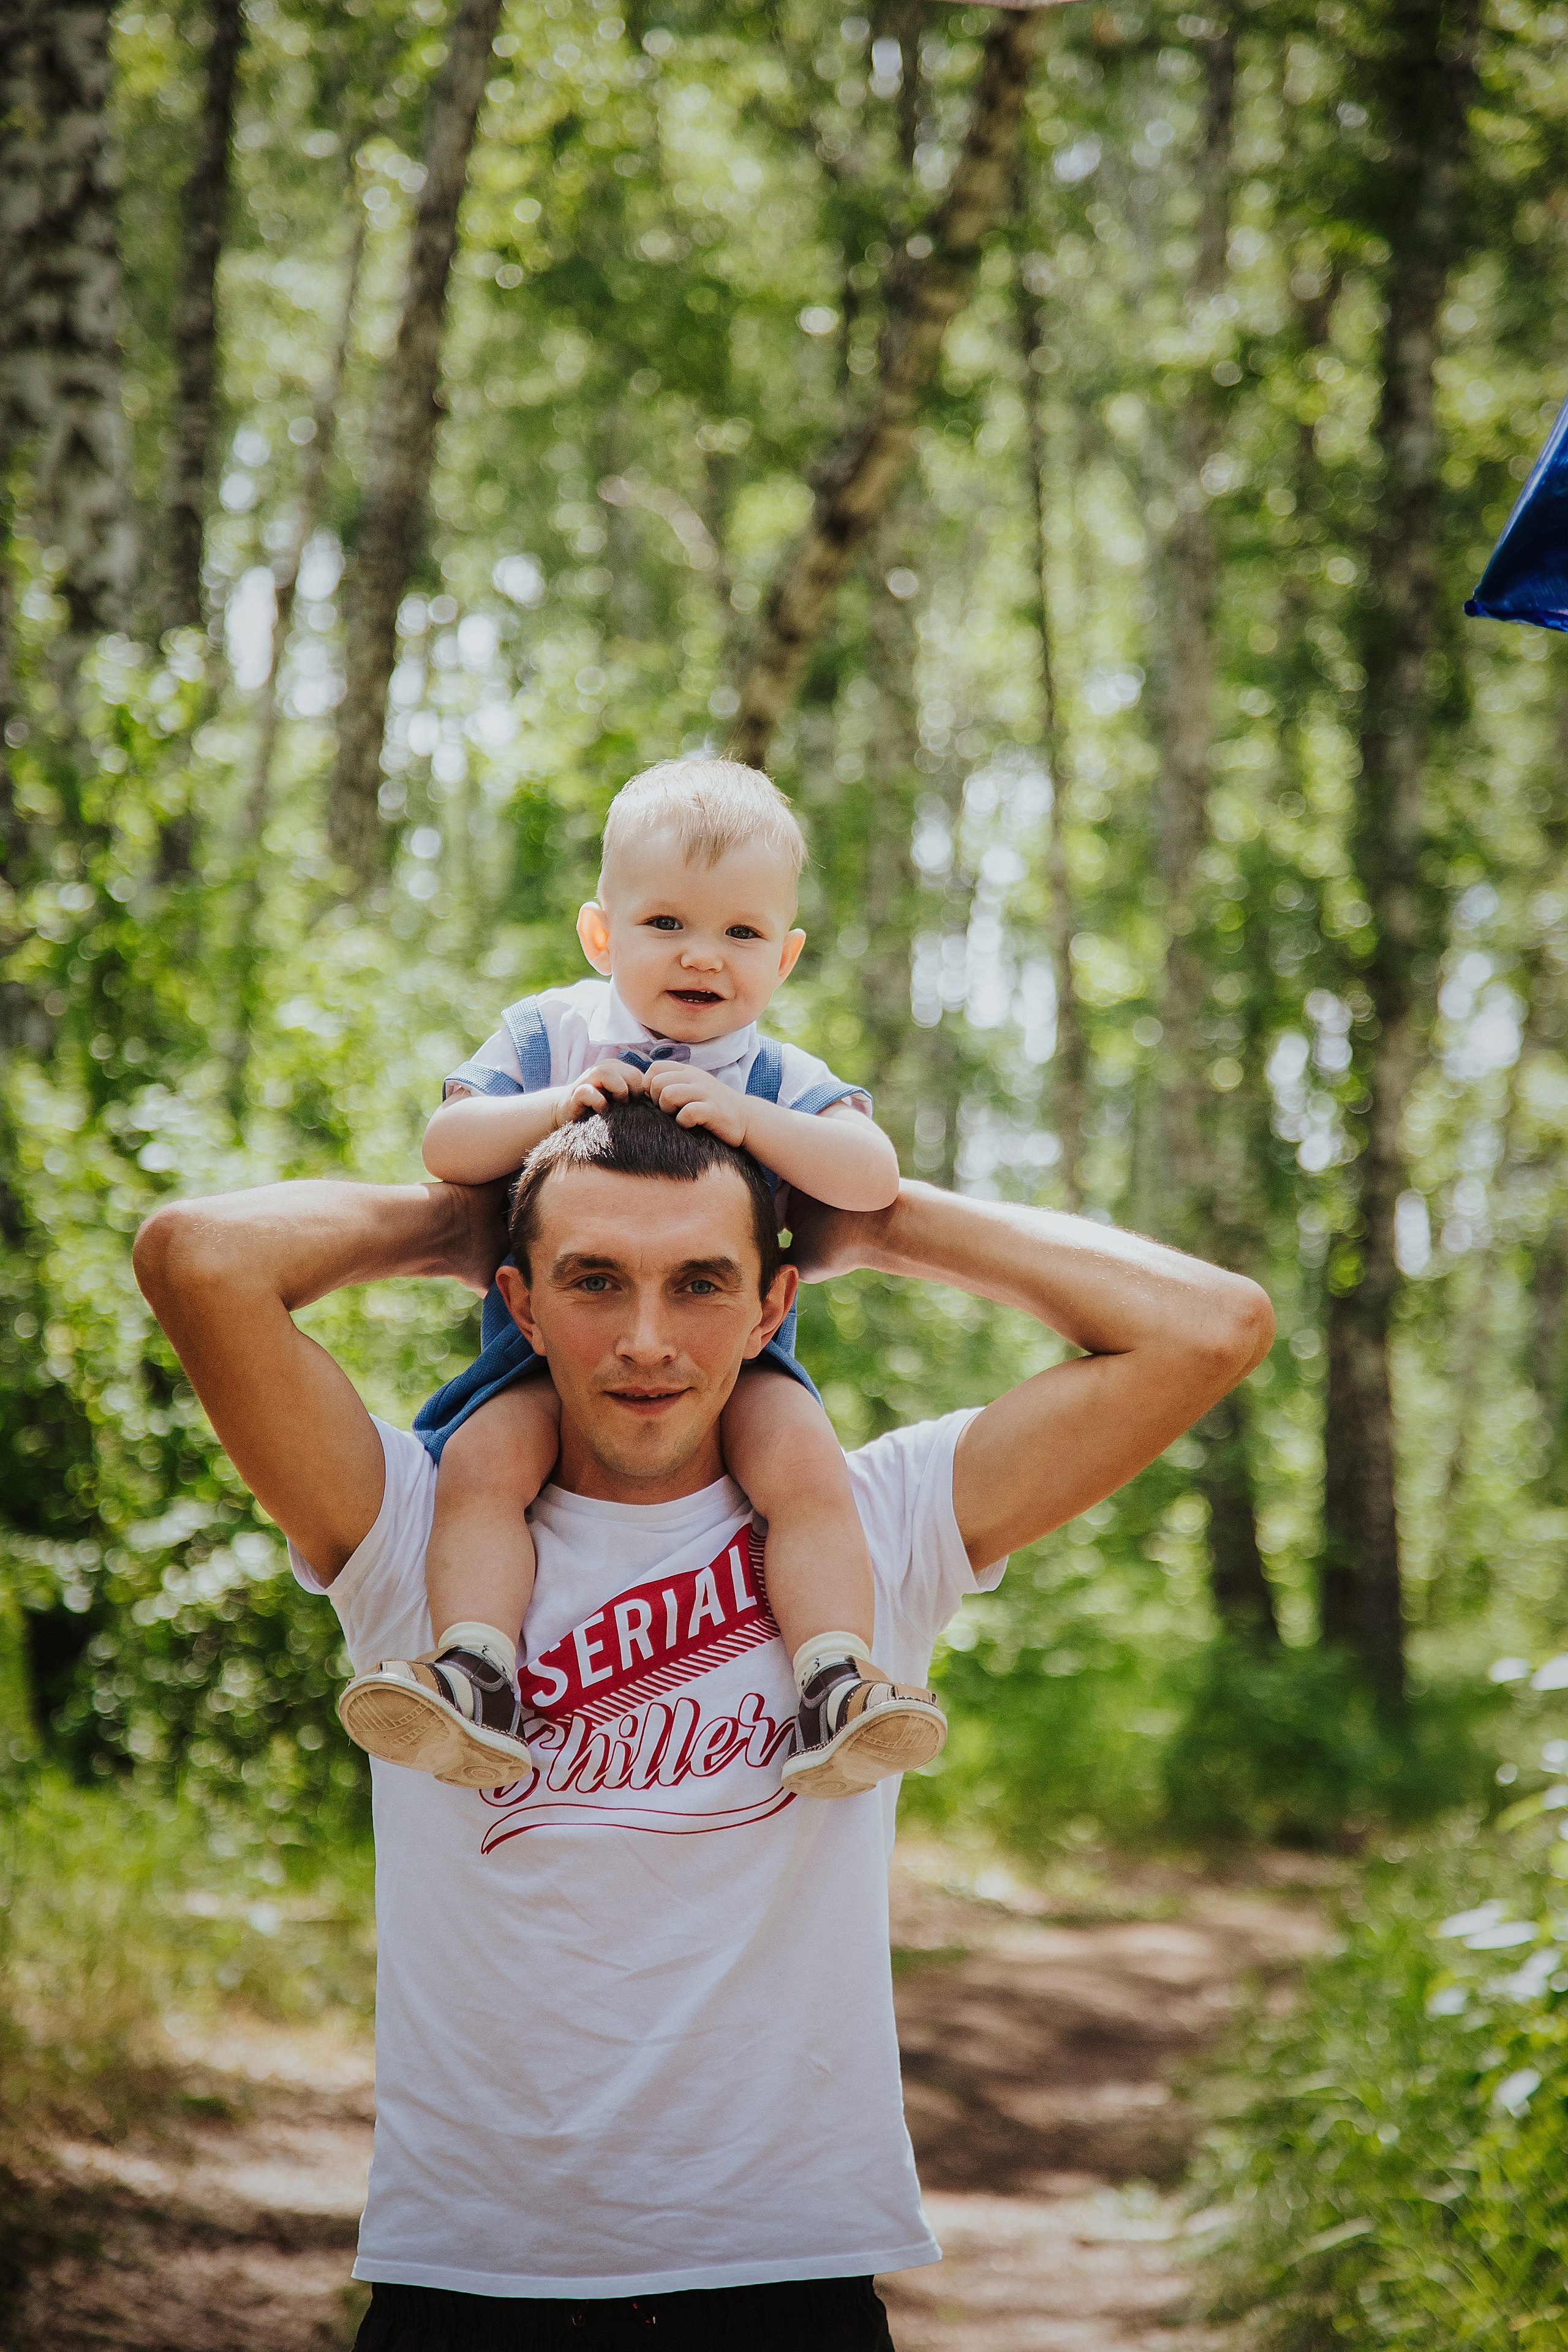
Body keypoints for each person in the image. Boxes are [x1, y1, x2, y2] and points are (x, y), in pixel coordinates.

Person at [132, 1105, 1272, 2350]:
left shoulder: (866, 1528)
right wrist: (461, 1219)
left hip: (785, 2271)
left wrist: (876, 1225)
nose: (643, 1340)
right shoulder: (416, 1532)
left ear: (769, 1307)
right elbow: (199, 1257)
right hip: (473, 2279)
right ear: (518, 1302)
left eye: (698, 1284)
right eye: (592, 1280)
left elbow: (1211, 1326)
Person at [340, 757, 944, 1803]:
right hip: (543, 1356)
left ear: (786, 955)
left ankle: (838, 1681)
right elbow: (448, 1141)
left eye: (743, 934)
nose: (705, 957)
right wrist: (558, 1103)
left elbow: (874, 1174)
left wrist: (759, 1126)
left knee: (806, 1471)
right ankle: (476, 1670)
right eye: (667, 923)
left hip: (738, 1365)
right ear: (602, 935)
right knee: (484, 1467)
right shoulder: (552, 1034)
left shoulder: (775, 1074)